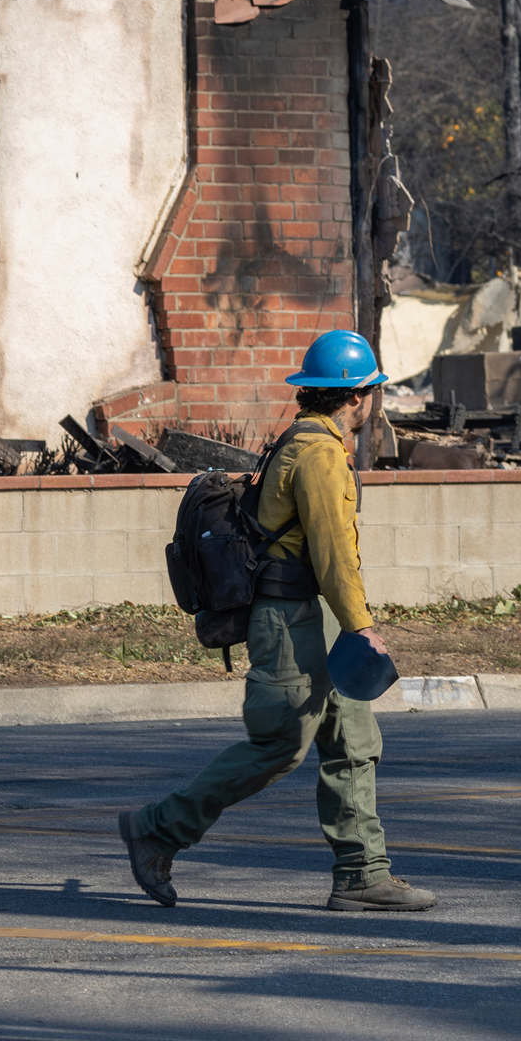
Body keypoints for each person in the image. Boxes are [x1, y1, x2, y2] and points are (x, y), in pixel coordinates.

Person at [118, 330, 435, 913]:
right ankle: (158, 829)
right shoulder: (318, 454)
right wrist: (362, 624)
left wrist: (348, 623)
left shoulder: (308, 442)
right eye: (371, 394)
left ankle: (362, 873)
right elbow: (333, 550)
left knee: (353, 742)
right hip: (291, 621)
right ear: (358, 396)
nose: (371, 403)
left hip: (315, 615)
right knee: (281, 745)